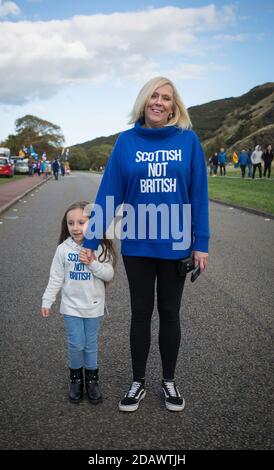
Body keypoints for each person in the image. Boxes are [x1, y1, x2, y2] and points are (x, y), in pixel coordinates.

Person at [81, 76, 210, 413]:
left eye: (166, 98)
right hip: (137, 243)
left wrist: (202, 243)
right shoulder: (126, 142)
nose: (159, 102)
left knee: (169, 313)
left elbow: (198, 195)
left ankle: (169, 381)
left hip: (177, 245)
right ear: (143, 101)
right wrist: (91, 238)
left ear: (174, 106)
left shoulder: (188, 141)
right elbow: (109, 192)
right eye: (153, 96)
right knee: (140, 313)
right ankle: (137, 381)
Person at [41, 201, 115, 404]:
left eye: (81, 222)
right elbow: (55, 277)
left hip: (93, 306)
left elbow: (109, 274)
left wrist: (92, 263)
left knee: (90, 345)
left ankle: (91, 380)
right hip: (71, 307)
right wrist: (47, 300)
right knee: (76, 344)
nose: (75, 227)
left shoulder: (99, 247)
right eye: (71, 223)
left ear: (92, 224)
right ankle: (75, 379)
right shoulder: (63, 249)